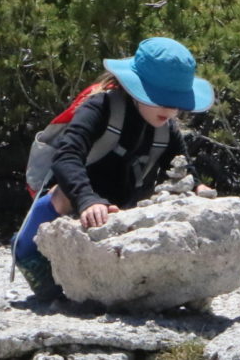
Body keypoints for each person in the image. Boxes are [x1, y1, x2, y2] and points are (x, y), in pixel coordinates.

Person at [13, 37, 216, 300]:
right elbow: (66, 157)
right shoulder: (99, 107)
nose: (171, 109)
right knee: (62, 196)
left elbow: (181, 169)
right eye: (162, 99)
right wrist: (86, 200)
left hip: (116, 210)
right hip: (76, 199)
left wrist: (198, 186)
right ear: (134, 88)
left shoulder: (167, 129)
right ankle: (25, 250)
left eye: (176, 102)